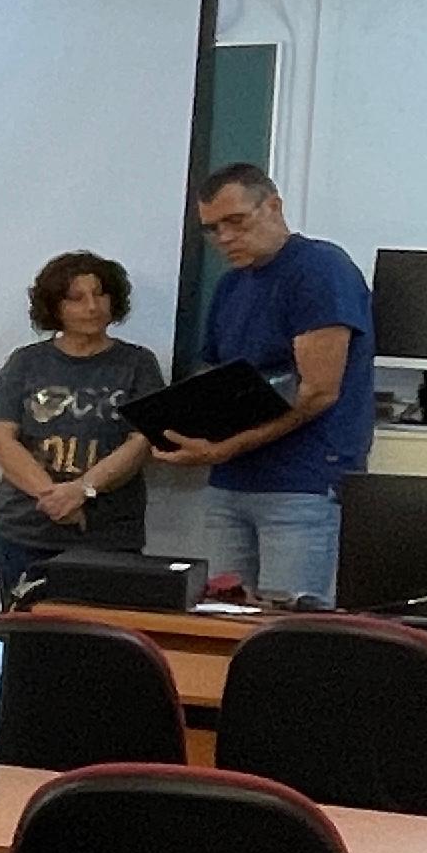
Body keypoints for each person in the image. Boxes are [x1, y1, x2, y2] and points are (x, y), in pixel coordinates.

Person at [154, 165, 374, 606]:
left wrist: (224, 447)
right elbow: (215, 379)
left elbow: (317, 391)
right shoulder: (232, 285)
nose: (225, 238)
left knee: (289, 632)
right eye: (213, 229)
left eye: (236, 221)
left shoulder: (320, 269)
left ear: (272, 206)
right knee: (219, 617)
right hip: (229, 485)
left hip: (300, 484)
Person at [0, 252, 165, 603]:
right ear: (55, 307)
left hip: (109, 534)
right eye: (76, 298)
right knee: (27, 635)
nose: (92, 306)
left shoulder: (138, 363)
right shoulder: (26, 362)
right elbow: (3, 438)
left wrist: (82, 490)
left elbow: (141, 440)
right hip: (26, 531)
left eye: (100, 294)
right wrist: (54, 498)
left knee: (104, 640)